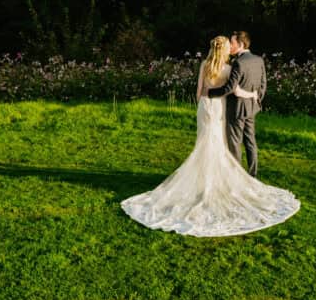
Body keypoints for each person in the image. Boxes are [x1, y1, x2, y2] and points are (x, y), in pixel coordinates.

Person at [120, 35, 300, 237]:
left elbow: (199, 91)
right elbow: (231, 90)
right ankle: (227, 179)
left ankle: (203, 180)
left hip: (204, 106)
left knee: (203, 143)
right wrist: (251, 96)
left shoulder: (205, 64)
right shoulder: (229, 68)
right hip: (220, 107)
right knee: (221, 144)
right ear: (223, 50)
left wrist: (204, 101)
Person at [206, 30, 264, 176]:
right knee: (251, 142)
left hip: (236, 109)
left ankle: (237, 177)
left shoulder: (238, 62)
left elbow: (230, 88)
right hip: (252, 108)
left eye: (232, 43)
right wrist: (255, 99)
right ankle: (253, 175)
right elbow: (263, 86)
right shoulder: (259, 60)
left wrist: (210, 93)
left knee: (235, 143)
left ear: (241, 44)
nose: (230, 46)